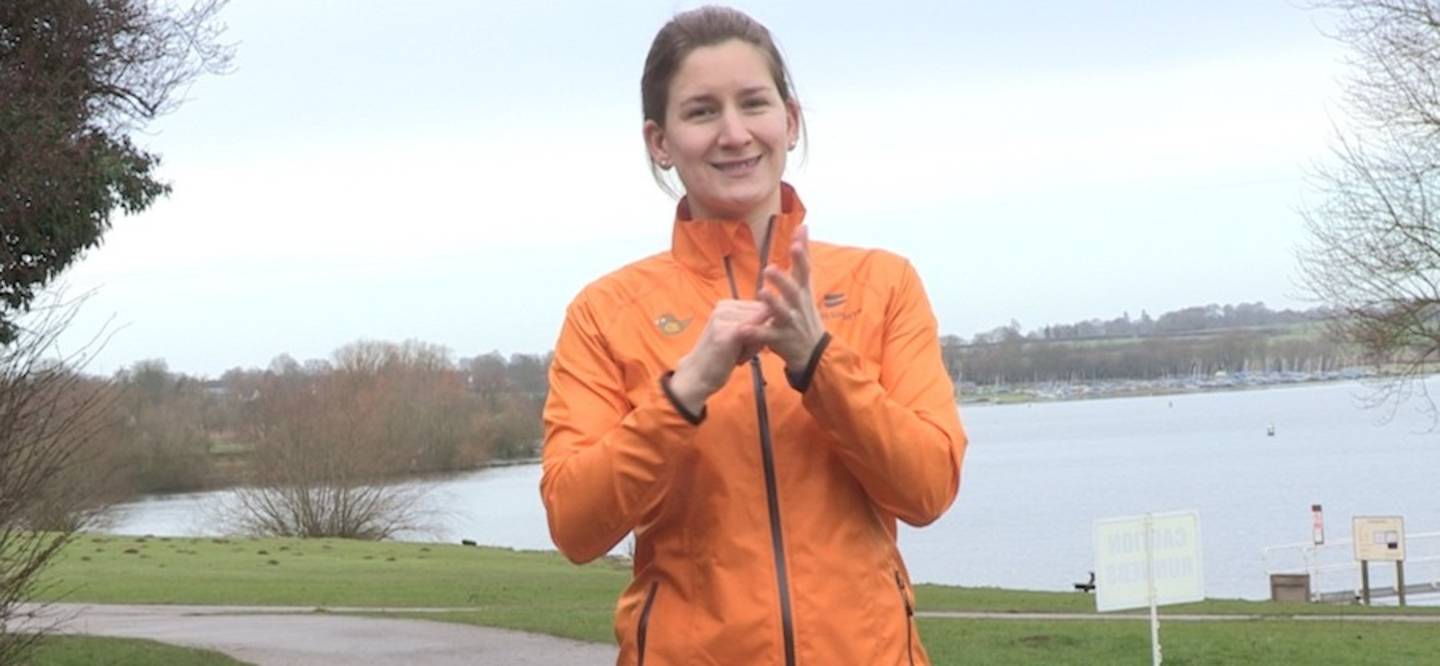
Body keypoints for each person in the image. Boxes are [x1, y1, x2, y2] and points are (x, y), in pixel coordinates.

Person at [540, 6, 967, 664]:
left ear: (790, 121)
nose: (734, 133)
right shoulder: (606, 311)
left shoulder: (884, 283)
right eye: (702, 111)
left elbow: (928, 488)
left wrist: (818, 362)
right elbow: (575, 525)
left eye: (753, 104)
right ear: (660, 141)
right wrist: (685, 390)